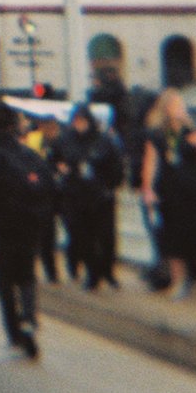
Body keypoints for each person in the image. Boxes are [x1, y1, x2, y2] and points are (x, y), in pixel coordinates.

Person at [0, 103, 54, 359]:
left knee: (5, 281)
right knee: (27, 276)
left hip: (0, 227)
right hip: (29, 226)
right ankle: (28, 318)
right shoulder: (31, 157)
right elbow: (49, 191)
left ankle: (15, 331)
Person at [140, 90, 196, 296]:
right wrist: (148, 189)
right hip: (170, 189)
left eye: (180, 106)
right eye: (174, 106)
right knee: (174, 239)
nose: (179, 110)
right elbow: (151, 163)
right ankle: (180, 282)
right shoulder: (157, 134)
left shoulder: (194, 130)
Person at [53, 105, 125, 290]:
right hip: (75, 194)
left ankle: (107, 271)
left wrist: (110, 185)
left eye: (82, 120)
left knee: (105, 237)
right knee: (81, 236)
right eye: (76, 120)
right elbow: (53, 160)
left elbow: (116, 165)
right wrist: (61, 169)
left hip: (100, 195)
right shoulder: (64, 140)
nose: (79, 124)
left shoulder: (103, 140)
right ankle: (92, 273)